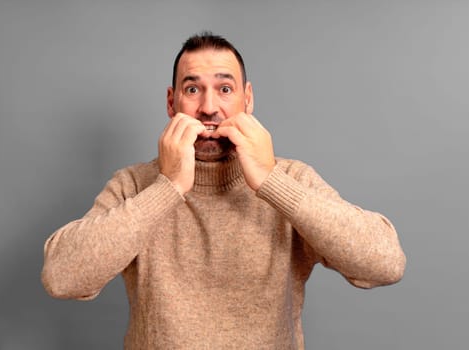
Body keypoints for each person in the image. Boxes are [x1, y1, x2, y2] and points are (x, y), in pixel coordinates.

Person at [41, 32, 406, 349]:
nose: (209, 108)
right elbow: (62, 277)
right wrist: (167, 188)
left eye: (225, 89)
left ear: (247, 100)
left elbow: (385, 264)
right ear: (172, 102)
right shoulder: (134, 185)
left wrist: (270, 181)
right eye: (193, 89)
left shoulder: (292, 178)